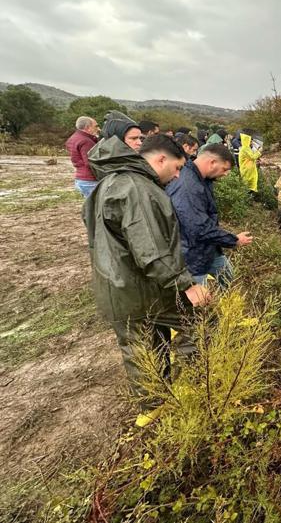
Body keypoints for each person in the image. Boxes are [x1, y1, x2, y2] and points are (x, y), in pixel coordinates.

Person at [83, 133, 210, 427]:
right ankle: (194, 383)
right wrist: (186, 284)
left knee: (141, 345)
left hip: (114, 285)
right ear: (160, 159)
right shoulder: (137, 188)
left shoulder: (108, 182)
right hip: (141, 288)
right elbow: (150, 250)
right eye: (177, 168)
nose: (177, 176)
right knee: (200, 319)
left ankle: (152, 407)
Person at [166, 144, 253, 287]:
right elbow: (199, 228)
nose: (226, 174)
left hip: (209, 248)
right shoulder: (188, 187)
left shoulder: (201, 178)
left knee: (231, 284)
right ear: (212, 163)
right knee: (201, 301)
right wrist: (234, 240)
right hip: (193, 257)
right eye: (224, 169)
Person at [65, 116, 100, 197]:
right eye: (95, 126)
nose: (98, 129)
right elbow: (91, 162)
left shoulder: (73, 138)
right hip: (89, 181)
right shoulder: (86, 141)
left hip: (80, 179)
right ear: (88, 128)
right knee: (97, 207)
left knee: (90, 206)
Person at [238, 130, 262, 200]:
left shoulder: (247, 148)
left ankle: (250, 198)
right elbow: (253, 157)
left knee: (251, 183)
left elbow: (250, 158)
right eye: (250, 141)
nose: (251, 142)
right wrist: (259, 151)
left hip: (249, 169)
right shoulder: (245, 149)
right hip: (246, 170)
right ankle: (247, 198)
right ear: (246, 140)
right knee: (248, 184)